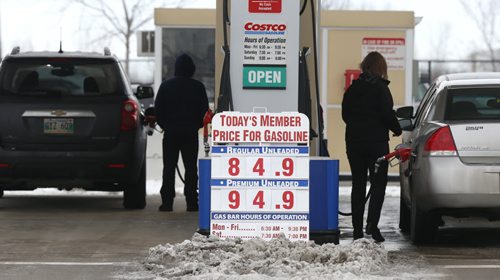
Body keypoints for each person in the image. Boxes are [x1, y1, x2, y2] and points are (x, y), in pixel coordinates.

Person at [341, 51, 402, 242]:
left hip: (354, 143)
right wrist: (397, 129)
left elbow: (345, 115)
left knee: (357, 185)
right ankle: (372, 226)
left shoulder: (352, 89)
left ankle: (357, 230)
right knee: (377, 186)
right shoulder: (381, 89)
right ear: (380, 68)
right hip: (376, 144)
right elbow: (387, 114)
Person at [154, 53, 209, 212]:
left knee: (169, 167)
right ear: (192, 69)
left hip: (170, 134)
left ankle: (167, 202)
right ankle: (192, 202)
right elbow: (204, 112)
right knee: (191, 168)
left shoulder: (166, 86)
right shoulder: (198, 87)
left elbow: (159, 110)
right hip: (190, 134)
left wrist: (166, 125)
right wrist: (194, 125)